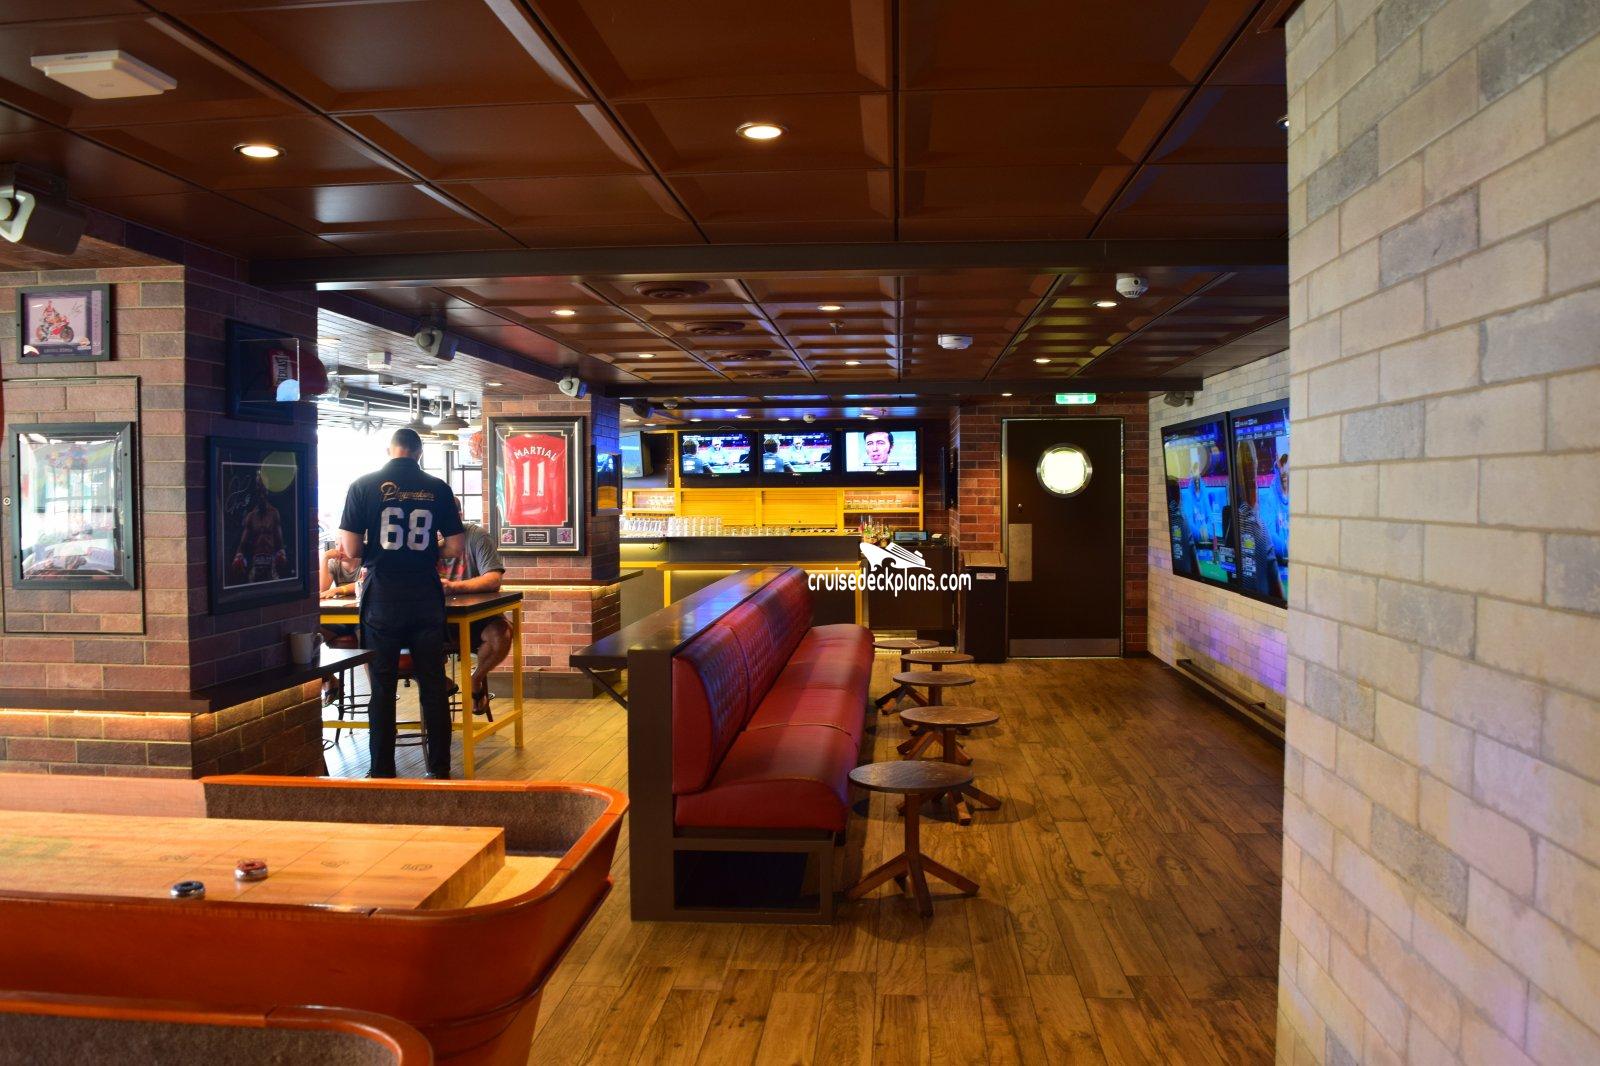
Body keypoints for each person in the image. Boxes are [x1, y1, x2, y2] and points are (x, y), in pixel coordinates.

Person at [339, 428, 465, 779]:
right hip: (425, 595)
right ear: (419, 453)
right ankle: (439, 770)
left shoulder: (362, 486)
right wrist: (426, 551)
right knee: (433, 684)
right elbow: (455, 546)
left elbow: (351, 550)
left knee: (382, 686)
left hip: (383, 596)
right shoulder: (438, 488)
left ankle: (382, 770)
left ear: (389, 450)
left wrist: (378, 552)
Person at [437, 503, 511, 717]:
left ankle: (475, 679)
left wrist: (453, 587)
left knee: (502, 634)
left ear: (459, 515)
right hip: (434, 619)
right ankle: (439, 683)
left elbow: (493, 579)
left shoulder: (476, 536)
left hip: (476, 617)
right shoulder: (421, 541)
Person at [234, 472, 287, 584]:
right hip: (255, 563)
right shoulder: (251, 517)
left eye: (263, 487)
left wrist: (282, 555)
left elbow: (280, 543)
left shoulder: (274, 513)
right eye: (259, 487)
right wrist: (238, 557)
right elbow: (242, 545)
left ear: (267, 490)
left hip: (271, 564)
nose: (261, 492)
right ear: (256, 491)